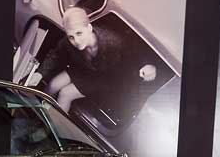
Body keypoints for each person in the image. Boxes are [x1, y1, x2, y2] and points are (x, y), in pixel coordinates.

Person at [27, 7, 156, 113]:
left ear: (89, 28)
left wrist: (147, 66)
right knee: (53, 85)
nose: (76, 41)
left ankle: (51, 130)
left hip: (102, 79)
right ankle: (41, 113)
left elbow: (133, 53)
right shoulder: (68, 42)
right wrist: (40, 73)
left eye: (79, 33)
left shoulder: (112, 41)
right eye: (71, 37)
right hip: (82, 69)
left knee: (65, 94)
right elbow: (55, 55)